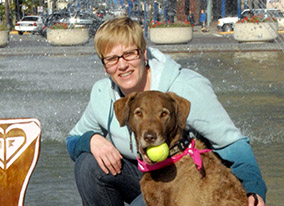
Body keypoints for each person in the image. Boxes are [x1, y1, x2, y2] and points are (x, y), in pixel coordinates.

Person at [66, 17, 267, 206]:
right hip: (140, 174)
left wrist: (253, 189)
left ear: (143, 54)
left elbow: (232, 143)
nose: (122, 65)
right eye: (112, 59)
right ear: (104, 65)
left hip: (183, 179)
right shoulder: (103, 94)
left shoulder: (185, 87)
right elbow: (72, 140)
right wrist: (91, 140)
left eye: (129, 54)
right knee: (88, 166)